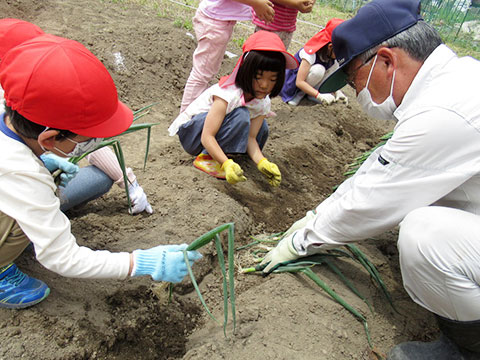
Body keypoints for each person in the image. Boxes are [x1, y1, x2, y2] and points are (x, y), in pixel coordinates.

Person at [260, 0, 480, 358]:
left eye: (353, 80)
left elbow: (372, 199)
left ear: (387, 60)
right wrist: (317, 214)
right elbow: (380, 170)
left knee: (425, 235)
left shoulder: (443, 111)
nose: (355, 92)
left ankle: (467, 349)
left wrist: (301, 242)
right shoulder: (454, 82)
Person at [0, 34, 202, 309]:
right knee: (39, 200)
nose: (94, 144)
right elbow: (62, 258)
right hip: (17, 185)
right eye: (88, 140)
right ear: (49, 139)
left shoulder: (11, 104)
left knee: (96, 179)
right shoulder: (21, 174)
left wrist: (45, 163)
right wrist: (139, 262)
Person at [0, 18, 153, 216]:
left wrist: (129, 181)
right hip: (16, 207)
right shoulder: (19, 103)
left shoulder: (23, 95)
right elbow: (61, 248)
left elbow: (82, 129)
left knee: (99, 178)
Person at [170, 31, 297, 187]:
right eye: (258, 77)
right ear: (247, 71)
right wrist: (226, 164)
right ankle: (207, 158)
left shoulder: (263, 102)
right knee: (242, 116)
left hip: (212, 133)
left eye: (272, 79)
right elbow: (207, 136)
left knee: (261, 128)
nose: (264, 85)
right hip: (193, 134)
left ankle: (229, 155)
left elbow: (251, 138)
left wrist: (262, 162)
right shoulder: (228, 94)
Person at [179, 0, 276, 113]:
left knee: (205, 74)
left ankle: (193, 117)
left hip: (219, 19)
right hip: (214, 20)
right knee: (202, 75)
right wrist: (256, 3)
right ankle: (185, 120)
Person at [280, 17, 347, 106]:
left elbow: (330, 75)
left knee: (335, 66)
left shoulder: (332, 56)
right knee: (318, 70)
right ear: (330, 47)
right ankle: (299, 94)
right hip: (294, 86)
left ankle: (312, 94)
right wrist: (318, 95)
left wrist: (337, 91)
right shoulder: (310, 54)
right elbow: (299, 82)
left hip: (312, 84)